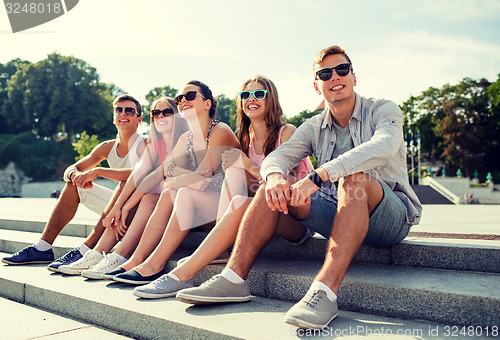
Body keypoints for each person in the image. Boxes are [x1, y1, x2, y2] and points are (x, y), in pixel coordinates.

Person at [175, 46, 423, 330]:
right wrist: (276, 177)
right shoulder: (314, 126)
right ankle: (233, 278)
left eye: (342, 70)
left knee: (355, 179)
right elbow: (278, 158)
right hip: (336, 212)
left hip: (388, 217)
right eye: (325, 73)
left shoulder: (382, 109)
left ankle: (324, 292)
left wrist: (321, 174)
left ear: (354, 77)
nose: (335, 77)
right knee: (274, 187)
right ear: (317, 86)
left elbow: (385, 145)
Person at [132, 75, 314, 299]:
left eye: (259, 94)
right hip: (259, 211)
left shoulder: (286, 132)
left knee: (236, 173)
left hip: (295, 217)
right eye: (245, 95)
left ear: (271, 99)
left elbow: (288, 187)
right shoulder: (245, 138)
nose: (251, 99)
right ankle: (155, 263)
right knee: (190, 192)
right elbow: (164, 174)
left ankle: (182, 274)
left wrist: (246, 164)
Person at [108, 80, 240, 285]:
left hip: (228, 214)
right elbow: (162, 176)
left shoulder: (220, 130)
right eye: (179, 99)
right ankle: (137, 259)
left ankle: (155, 265)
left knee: (182, 191)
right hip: (203, 210)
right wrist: (124, 206)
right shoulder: (185, 138)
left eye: (189, 96)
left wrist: (179, 178)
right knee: (167, 194)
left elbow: (204, 175)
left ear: (207, 104)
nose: (182, 102)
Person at [2, 94, 146, 271]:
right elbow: (71, 169)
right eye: (119, 109)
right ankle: (42, 248)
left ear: (139, 119)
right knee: (72, 186)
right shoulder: (106, 147)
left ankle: (86, 249)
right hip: (117, 207)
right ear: (114, 117)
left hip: (140, 209)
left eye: (129, 110)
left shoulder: (145, 143)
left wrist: (99, 171)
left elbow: (141, 174)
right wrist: (75, 176)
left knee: (124, 183)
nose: (123, 113)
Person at [57, 96, 188, 276]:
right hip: (161, 202)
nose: (161, 117)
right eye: (156, 113)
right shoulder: (155, 144)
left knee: (149, 196)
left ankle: (121, 255)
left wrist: (101, 175)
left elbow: (151, 177)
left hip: (186, 204)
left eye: (167, 112)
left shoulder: (184, 139)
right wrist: (119, 207)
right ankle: (97, 253)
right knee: (140, 194)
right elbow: (139, 173)